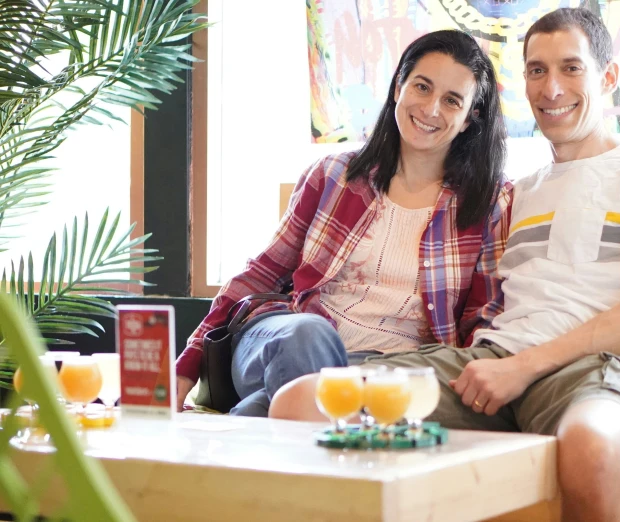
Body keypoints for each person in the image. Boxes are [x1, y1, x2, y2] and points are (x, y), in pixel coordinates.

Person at [270, 8, 620, 521]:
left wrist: (524, 367)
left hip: (600, 372)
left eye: (571, 68)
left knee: (588, 446)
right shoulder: (517, 194)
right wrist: (500, 364)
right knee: (301, 403)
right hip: (493, 366)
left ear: (607, 77)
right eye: (537, 70)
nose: (552, 87)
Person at [175, 30, 512, 417]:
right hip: (284, 337)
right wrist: (185, 368)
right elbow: (260, 274)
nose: (431, 108)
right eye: (422, 86)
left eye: (452, 100)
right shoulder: (334, 176)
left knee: (260, 414)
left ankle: (275, 427)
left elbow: (482, 321)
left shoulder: (489, 205)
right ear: (399, 86)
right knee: (309, 336)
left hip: (381, 370)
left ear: (471, 118)